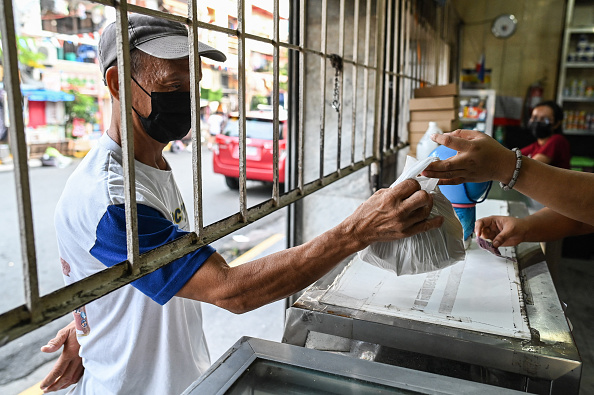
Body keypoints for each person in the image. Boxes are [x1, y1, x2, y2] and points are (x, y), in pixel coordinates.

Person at [39, 14, 442, 394]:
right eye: (173, 88)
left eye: (192, 86)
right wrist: (358, 230)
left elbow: (124, 276)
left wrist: (89, 323)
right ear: (117, 83)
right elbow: (229, 291)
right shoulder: (112, 199)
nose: (188, 101)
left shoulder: (151, 163)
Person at [421, 129, 594, 248]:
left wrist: (504, 165)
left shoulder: (556, 141)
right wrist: (526, 227)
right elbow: (582, 218)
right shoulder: (536, 144)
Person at [521, 101, 570, 169]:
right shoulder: (536, 146)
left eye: (544, 119)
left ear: (557, 124)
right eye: (534, 118)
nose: (538, 122)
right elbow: (512, 158)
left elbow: (531, 166)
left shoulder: (558, 140)